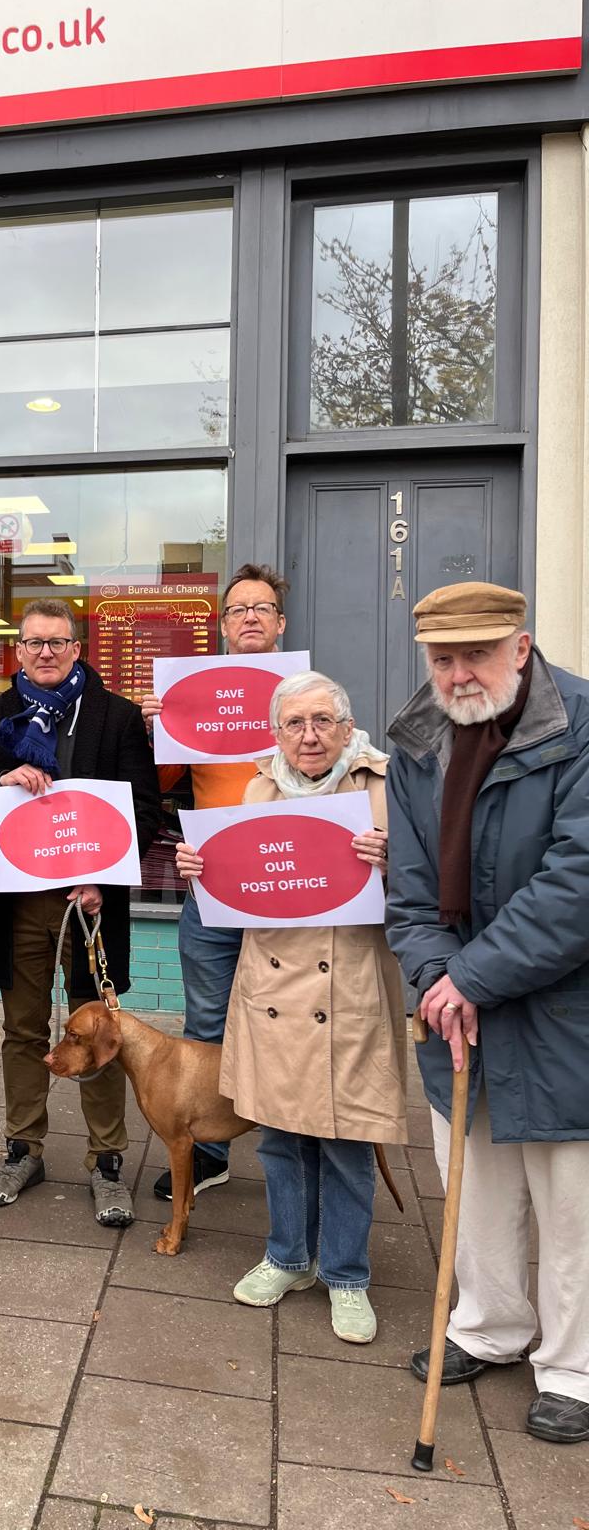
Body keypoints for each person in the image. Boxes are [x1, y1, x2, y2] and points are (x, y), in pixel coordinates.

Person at [385, 582, 589, 1445]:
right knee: (475, 1183)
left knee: (572, 1196)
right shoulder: (420, 740)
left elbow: (578, 882)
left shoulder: (578, 724)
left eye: (477, 654)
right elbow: (411, 888)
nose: (460, 674)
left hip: (561, 1010)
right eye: (443, 659)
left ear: (521, 645)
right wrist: (441, 976)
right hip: (457, 1002)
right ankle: (488, 1326)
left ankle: (575, 1366)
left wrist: (472, 976)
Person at [177, 669, 405, 1343]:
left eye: (321, 722)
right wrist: (202, 872)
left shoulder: (385, 786)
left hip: (349, 984)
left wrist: (394, 862)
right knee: (278, 1135)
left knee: (344, 1138)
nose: (309, 736)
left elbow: (432, 884)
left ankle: (345, 1273)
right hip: (273, 986)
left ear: (346, 726)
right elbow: (243, 886)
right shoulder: (259, 786)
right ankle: (286, 1257)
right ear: (277, 733)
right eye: (295, 724)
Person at [0, 599, 162, 1226]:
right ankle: (23, 1149)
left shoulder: (117, 716)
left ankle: (107, 1161)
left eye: (57, 642)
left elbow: (145, 809)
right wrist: (1, 781)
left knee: (99, 1035)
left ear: (77, 649)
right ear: (17, 652)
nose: (45, 652)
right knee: (23, 1030)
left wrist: (104, 878)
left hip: (92, 904)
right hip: (19, 903)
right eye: (33, 643)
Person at [143, 563, 291, 1201]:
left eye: (262, 608)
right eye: (238, 609)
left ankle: (292, 1140)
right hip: (214, 885)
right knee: (207, 1021)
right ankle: (208, 1152)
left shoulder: (307, 693)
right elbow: (162, 782)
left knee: (287, 1020)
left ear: (280, 625)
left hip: (291, 884)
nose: (250, 616)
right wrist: (158, 726)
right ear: (224, 625)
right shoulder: (196, 695)